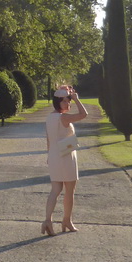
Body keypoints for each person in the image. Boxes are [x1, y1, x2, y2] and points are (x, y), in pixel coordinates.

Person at [42, 85, 88, 235]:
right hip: (66, 157)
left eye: (69, 101)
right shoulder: (63, 117)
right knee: (69, 190)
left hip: (55, 155)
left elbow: (48, 139)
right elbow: (83, 114)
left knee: (55, 190)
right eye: (65, 101)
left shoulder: (50, 117)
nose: (68, 104)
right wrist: (76, 98)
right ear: (58, 102)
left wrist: (49, 156)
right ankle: (67, 220)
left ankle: (48, 220)